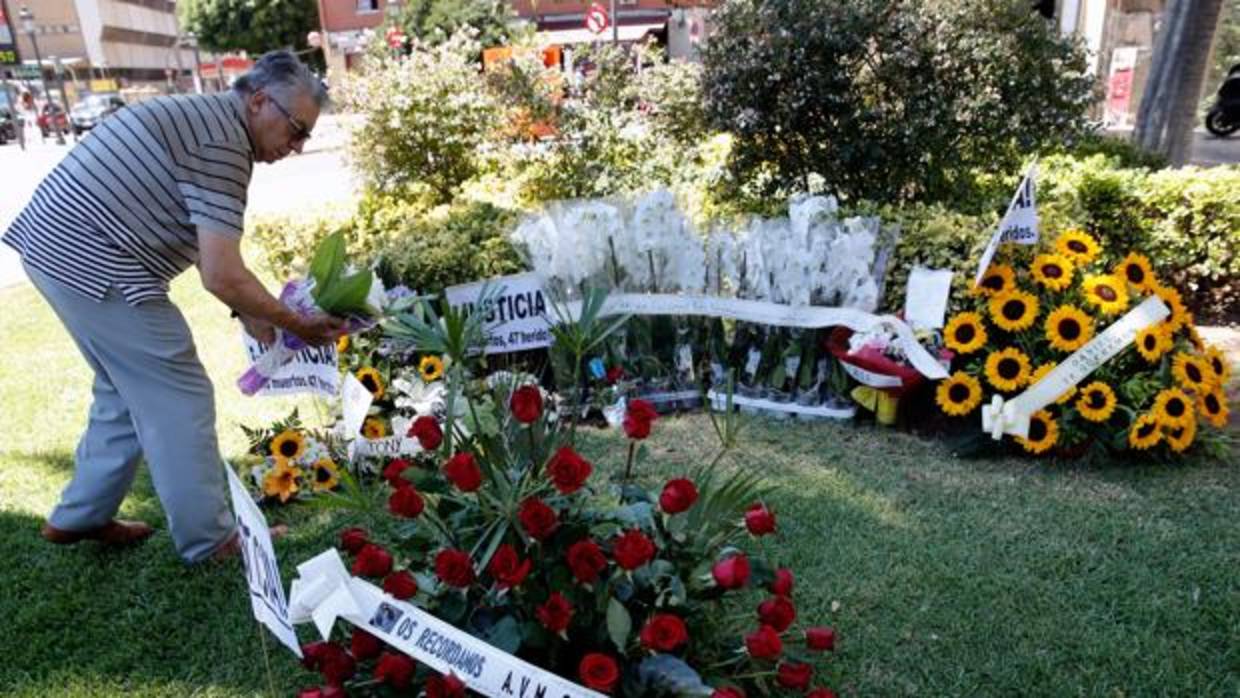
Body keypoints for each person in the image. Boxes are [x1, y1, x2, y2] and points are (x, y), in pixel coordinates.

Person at [1, 50, 345, 563]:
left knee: (124, 388)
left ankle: (80, 515)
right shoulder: (224, 143)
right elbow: (221, 274)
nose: (296, 147)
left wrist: (259, 314)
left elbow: (220, 261)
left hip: (57, 247)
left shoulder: (213, 124)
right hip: (90, 256)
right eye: (296, 130)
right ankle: (212, 540)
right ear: (257, 102)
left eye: (305, 137)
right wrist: (293, 322)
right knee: (177, 393)